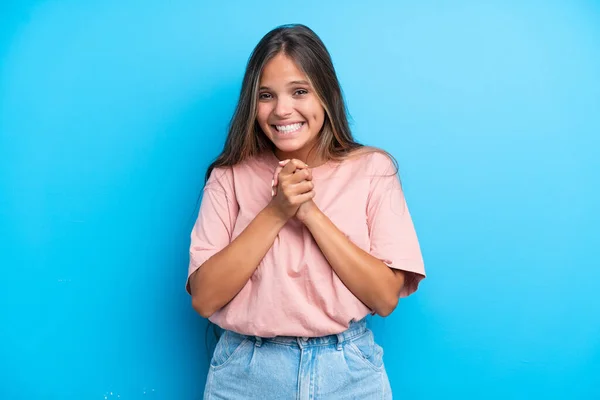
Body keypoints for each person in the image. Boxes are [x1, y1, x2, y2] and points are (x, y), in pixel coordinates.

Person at [186, 23, 426, 400]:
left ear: (326, 95)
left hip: (348, 373)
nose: (282, 110)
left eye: (300, 91)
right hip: (246, 374)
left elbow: (384, 297)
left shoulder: (373, 169)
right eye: (266, 95)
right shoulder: (228, 177)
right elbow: (204, 298)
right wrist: (277, 211)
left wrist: (310, 213)